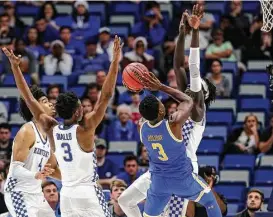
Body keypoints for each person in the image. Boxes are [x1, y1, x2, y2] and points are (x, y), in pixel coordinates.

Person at [2, 35, 122, 217]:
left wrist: (15, 68)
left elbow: (28, 97)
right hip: (87, 192)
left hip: (67, 195)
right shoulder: (85, 129)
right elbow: (105, 96)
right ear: (77, 112)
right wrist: (115, 61)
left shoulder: (50, 129)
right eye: (81, 106)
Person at [118, 6, 217, 217]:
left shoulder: (197, 110)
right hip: (161, 169)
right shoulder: (184, 99)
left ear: (203, 95)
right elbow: (178, 64)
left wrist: (196, 32)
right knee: (125, 200)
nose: (191, 84)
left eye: (198, 85)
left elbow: (194, 67)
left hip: (184, 170)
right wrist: (182, 33)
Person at [2, 85, 61, 217]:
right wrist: (36, 175)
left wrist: (73, 180)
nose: (51, 104)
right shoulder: (27, 131)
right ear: (34, 107)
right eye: (45, 101)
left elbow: (52, 168)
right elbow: (15, 169)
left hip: (36, 193)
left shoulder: (49, 135)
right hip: (18, 192)